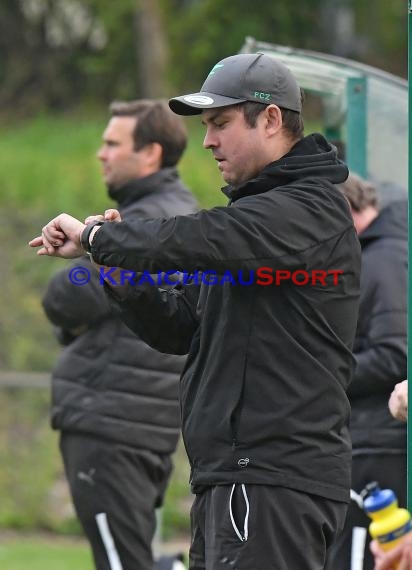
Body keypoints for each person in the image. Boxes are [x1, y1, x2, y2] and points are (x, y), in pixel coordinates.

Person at [30, 53, 361, 569]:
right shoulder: (256, 218)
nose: (207, 141)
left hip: (272, 478)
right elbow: (182, 325)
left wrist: (98, 236)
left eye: (220, 124)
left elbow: (201, 235)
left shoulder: (309, 207)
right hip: (231, 477)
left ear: (271, 120)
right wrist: (118, 272)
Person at [41, 99, 198, 570]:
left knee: (121, 563)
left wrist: (89, 263)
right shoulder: (181, 211)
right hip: (144, 421)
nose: (100, 154)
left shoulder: (141, 222)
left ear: (150, 154)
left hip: (112, 419)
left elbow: (66, 295)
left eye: (112, 143)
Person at [325, 173, 407, 570]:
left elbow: (397, 355)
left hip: (379, 443)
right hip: (370, 436)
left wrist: (316, 377)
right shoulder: (374, 254)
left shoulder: (383, 258)